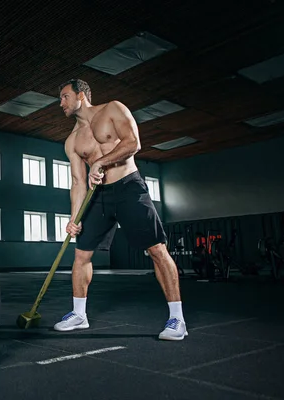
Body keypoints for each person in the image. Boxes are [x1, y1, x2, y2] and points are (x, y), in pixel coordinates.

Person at [53, 79, 187, 341]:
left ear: (81, 95)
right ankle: (79, 315)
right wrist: (73, 218)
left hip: (128, 187)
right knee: (81, 256)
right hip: (97, 196)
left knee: (157, 250)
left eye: (65, 97)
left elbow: (133, 144)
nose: (61, 103)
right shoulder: (72, 141)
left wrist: (100, 162)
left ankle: (177, 319)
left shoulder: (113, 109)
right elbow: (78, 182)